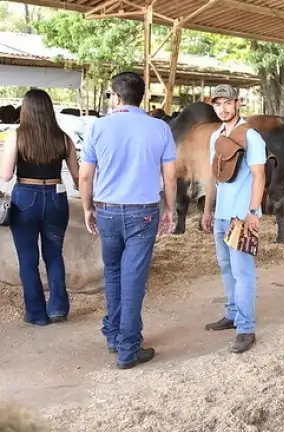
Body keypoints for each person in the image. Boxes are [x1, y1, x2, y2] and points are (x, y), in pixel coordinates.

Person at [79, 71, 177, 370]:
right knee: (133, 278)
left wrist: (87, 208)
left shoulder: (98, 127)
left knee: (113, 273)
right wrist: (170, 209)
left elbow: (85, 175)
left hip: (107, 209)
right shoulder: (159, 128)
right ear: (141, 98)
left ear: (116, 96)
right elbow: (170, 175)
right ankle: (128, 348)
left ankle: (114, 334)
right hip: (143, 211)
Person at [0, 89, 80, 326]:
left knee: (28, 259)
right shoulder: (64, 138)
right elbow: (77, 177)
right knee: (54, 255)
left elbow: (5, 175)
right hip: (56, 197)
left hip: (25, 197)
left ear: (26, 110)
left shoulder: (17, 135)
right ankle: (57, 309)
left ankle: (36, 313)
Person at [201, 84, 266, 354]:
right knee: (226, 268)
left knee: (242, 272)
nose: (223, 109)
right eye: (217, 104)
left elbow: (259, 176)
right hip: (221, 215)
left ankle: (246, 328)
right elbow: (214, 178)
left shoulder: (252, 137)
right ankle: (232, 313)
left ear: (237, 103)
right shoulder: (215, 136)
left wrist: (253, 212)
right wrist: (208, 209)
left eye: (227, 103)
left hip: (241, 216)